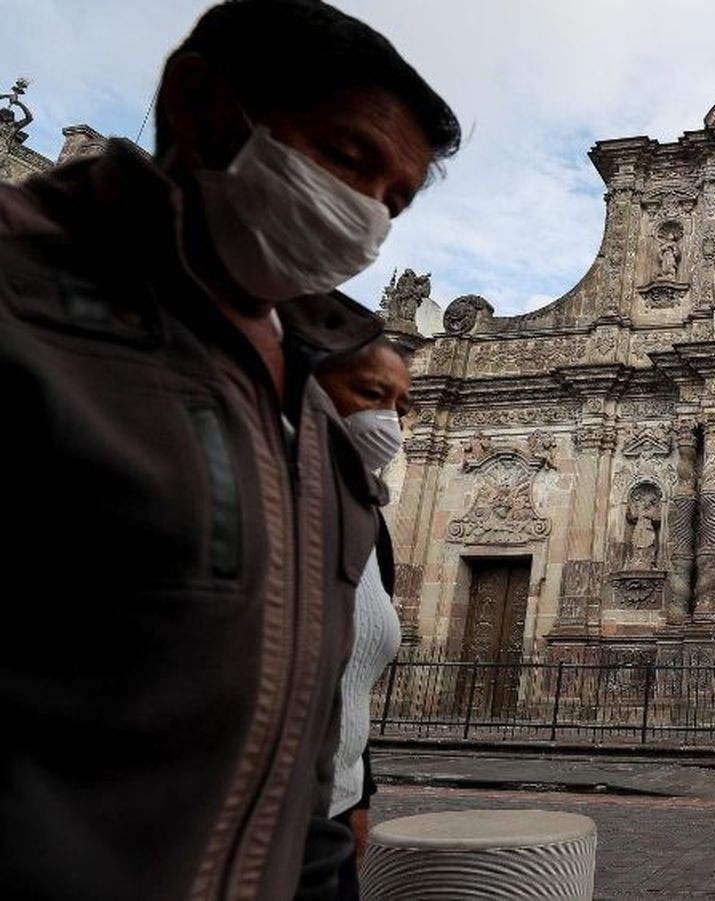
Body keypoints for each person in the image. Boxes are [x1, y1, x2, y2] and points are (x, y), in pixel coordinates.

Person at [0, 2, 458, 899]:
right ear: (202, 105)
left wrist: (324, 855)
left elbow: (303, 711)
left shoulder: (318, 415)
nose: (364, 216)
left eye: (393, 201)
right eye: (347, 158)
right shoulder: (26, 305)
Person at [314, 336, 411, 901]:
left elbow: (349, 691)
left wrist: (361, 793)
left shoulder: (372, 526)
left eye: (402, 407)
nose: (388, 421)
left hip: (334, 803)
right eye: (372, 394)